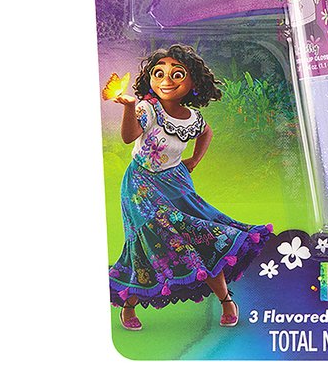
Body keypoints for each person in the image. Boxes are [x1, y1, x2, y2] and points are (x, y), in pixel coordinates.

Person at [108, 45, 271, 330]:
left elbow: (206, 132)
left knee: (200, 236)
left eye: (177, 74)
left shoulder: (193, 118)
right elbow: (129, 136)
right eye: (158, 73)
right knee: (146, 242)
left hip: (176, 183)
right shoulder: (148, 109)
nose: (166, 80)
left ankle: (226, 300)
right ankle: (129, 304)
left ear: (193, 80)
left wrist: (194, 160)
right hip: (140, 185)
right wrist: (130, 107)